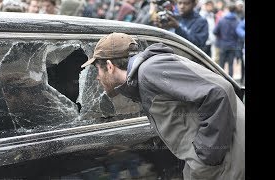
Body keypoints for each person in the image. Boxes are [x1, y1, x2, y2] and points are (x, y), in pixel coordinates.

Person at [80, 32, 245, 179]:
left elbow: (219, 92)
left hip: (222, 164)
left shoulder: (150, 70)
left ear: (109, 66)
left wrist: (206, 156)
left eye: (97, 70)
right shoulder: (145, 74)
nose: (97, 78)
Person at [213, 2, 239, 78]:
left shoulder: (222, 20)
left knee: (221, 64)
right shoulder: (237, 21)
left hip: (223, 45)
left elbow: (215, 31)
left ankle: (222, 80)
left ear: (227, 9)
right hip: (233, 45)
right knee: (231, 64)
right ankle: (231, 81)